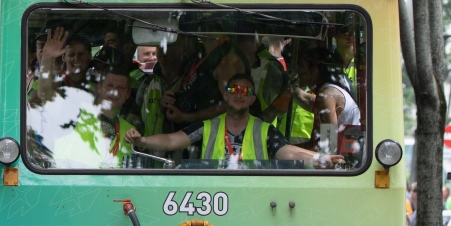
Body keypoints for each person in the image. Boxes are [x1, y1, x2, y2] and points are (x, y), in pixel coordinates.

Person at [136, 73, 336, 168]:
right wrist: (141, 141)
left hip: (253, 199)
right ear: (225, 95)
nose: (239, 94)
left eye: (245, 91)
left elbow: (290, 152)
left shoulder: (265, 130)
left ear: (252, 99)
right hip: (213, 200)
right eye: (233, 90)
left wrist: (321, 160)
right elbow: (171, 141)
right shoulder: (208, 126)